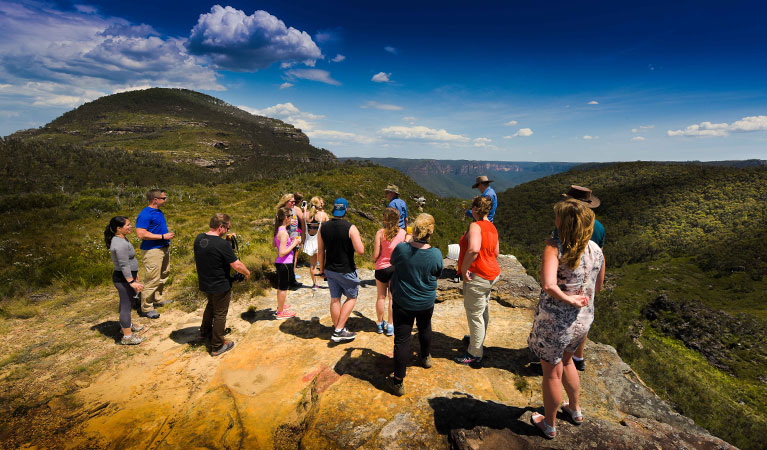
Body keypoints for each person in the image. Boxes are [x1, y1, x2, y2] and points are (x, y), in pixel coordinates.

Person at [527, 199, 605, 439]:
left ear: (565, 222)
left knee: (551, 373)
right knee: (569, 363)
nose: (555, 220)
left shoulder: (555, 246)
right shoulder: (596, 249)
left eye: (558, 217)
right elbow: (599, 286)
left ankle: (549, 424)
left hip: (555, 324)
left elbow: (549, 284)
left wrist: (568, 299)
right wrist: (578, 299)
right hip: (583, 321)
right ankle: (574, 409)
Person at [386, 214, 443, 396]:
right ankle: (425, 358)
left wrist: (408, 241)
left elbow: (393, 262)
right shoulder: (435, 254)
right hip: (425, 301)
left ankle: (398, 382)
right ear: (430, 232)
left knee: (402, 339)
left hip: (403, 301)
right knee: (425, 327)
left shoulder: (402, 249)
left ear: (415, 230)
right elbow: (437, 273)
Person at [554, 185, 605, 371]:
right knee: (581, 320)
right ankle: (578, 357)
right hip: (587, 284)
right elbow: (600, 257)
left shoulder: (566, 224)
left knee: (563, 325)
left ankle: (558, 359)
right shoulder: (599, 227)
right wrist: (597, 284)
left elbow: (559, 256)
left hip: (565, 285)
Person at [194, 213, 251, 356]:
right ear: (221, 227)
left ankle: (204, 332)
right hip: (220, 284)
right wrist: (247, 273)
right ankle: (217, 346)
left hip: (205, 282)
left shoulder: (199, 238)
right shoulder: (222, 245)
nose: (228, 230)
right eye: (227, 228)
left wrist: (225, 241)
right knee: (220, 314)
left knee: (211, 306)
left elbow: (212, 251)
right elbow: (236, 265)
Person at [455, 196, 501, 365]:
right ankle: (477, 341)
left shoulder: (475, 226)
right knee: (482, 310)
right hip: (491, 273)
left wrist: (465, 268)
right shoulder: (492, 227)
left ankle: (474, 353)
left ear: (474, 209)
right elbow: (495, 252)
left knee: (474, 314)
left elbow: (474, 249)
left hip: (478, 274)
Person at [318, 198, 365, 342]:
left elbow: (320, 252)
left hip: (330, 269)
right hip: (346, 268)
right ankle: (339, 330)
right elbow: (361, 250)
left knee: (335, 299)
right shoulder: (351, 227)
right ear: (346, 210)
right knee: (351, 297)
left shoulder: (323, 227)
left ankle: (338, 328)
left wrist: (321, 269)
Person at [105, 216, 145, 345]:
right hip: (123, 279)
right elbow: (124, 265)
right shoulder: (119, 243)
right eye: (127, 225)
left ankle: (127, 325)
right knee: (126, 306)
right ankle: (127, 337)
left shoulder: (122, 238)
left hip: (127, 277)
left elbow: (130, 262)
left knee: (127, 303)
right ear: (119, 228)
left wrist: (135, 274)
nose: (130, 227)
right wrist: (131, 282)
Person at [135, 189, 175, 319]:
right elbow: (141, 234)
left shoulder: (157, 212)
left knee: (163, 274)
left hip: (163, 248)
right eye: (164, 198)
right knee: (152, 278)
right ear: (155, 200)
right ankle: (146, 308)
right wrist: (163, 236)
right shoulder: (145, 214)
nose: (165, 200)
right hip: (152, 251)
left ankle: (156, 299)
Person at [372, 207, 407, 336]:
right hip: (396, 268)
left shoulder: (380, 233)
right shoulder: (403, 233)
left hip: (381, 268)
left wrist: (374, 259)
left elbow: (376, 254)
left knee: (381, 297)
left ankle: (380, 324)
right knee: (393, 299)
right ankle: (391, 326)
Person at [274, 207, 300, 319]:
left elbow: (274, 245)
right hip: (285, 262)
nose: (291, 218)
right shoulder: (284, 233)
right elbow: (282, 252)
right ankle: (280, 312)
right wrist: (294, 243)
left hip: (281, 263)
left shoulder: (278, 230)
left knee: (281, 287)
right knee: (283, 288)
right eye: (290, 216)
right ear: (286, 218)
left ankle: (280, 306)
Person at [302, 196, 329, 289]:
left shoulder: (305, 215)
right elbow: (330, 228)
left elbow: (303, 230)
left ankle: (315, 284)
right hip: (320, 242)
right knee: (324, 262)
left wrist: (302, 242)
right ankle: (327, 279)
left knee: (312, 265)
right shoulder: (323, 215)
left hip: (309, 241)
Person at [276, 193, 302, 287]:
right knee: (285, 259)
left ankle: (291, 279)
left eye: (294, 201)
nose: (294, 203)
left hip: (294, 238)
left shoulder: (294, 211)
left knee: (292, 259)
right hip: (285, 239)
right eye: (292, 201)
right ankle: (285, 281)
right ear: (286, 202)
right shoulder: (281, 212)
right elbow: (277, 226)